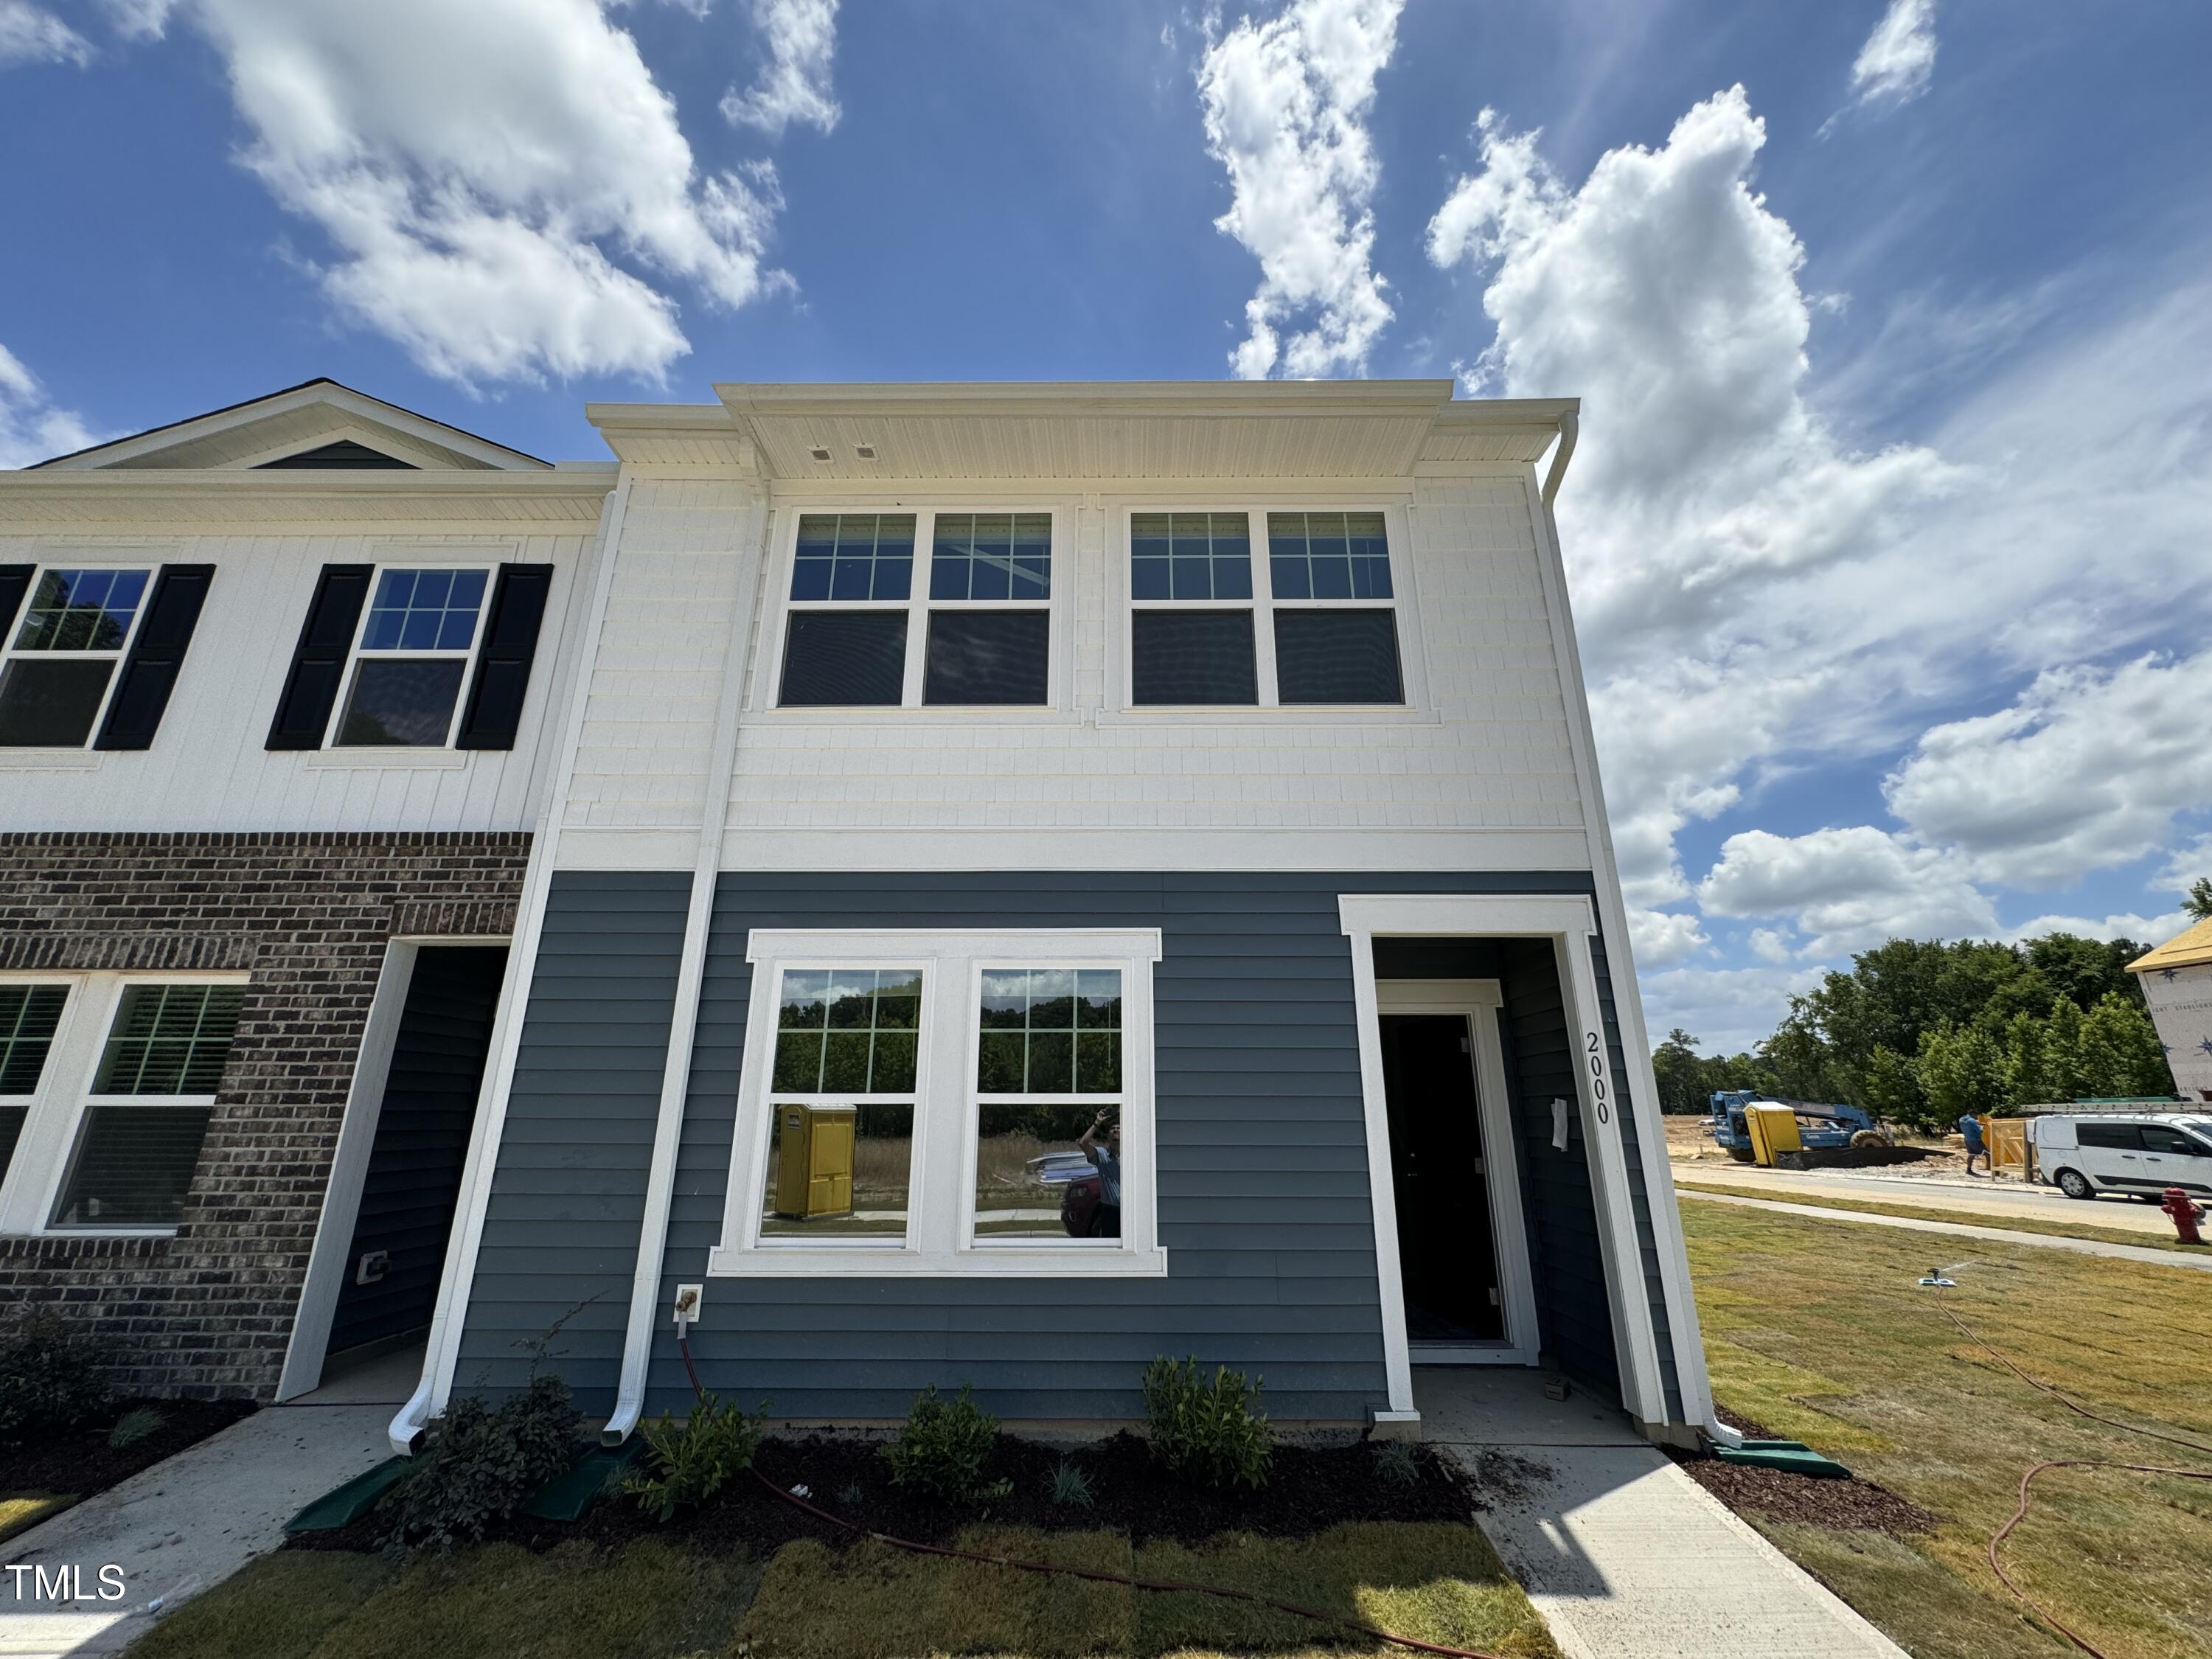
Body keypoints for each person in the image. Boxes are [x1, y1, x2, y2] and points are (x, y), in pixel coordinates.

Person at [1077, 1107, 1121, 1238]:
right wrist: (1097, 1123)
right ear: (1108, 1135)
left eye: (1119, 1128)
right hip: (1109, 1210)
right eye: (1112, 1128)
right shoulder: (1102, 1156)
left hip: (1130, 1209)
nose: (1116, 1130)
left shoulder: (1132, 1156)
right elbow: (1083, 1143)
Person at [1957, 1111, 1987, 1177]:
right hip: (1976, 1140)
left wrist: (1976, 1123)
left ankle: (1969, 1170)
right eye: (1976, 1115)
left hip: (1967, 1139)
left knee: (1971, 1154)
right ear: (1973, 1114)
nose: (1977, 1117)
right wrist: (1982, 1127)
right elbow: (1979, 1130)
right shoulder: (1972, 1120)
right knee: (1988, 1154)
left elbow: (1970, 1125)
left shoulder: (1962, 1119)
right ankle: (1995, 1171)